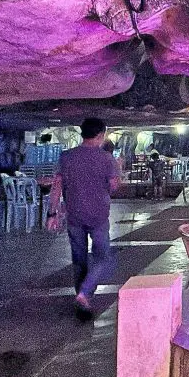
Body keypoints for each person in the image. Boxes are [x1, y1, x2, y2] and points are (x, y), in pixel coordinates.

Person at [47, 117, 120, 316]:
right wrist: (117, 171)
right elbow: (114, 186)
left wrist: (52, 213)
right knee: (102, 256)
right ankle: (85, 293)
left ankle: (82, 297)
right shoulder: (107, 159)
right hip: (98, 215)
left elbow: (56, 186)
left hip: (74, 215)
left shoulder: (66, 157)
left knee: (79, 259)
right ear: (101, 135)